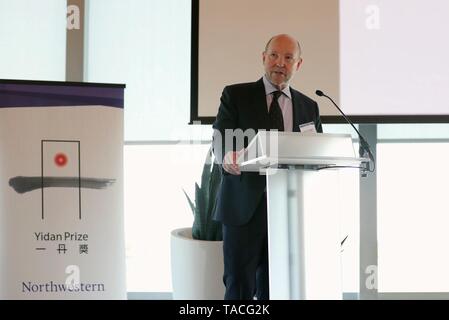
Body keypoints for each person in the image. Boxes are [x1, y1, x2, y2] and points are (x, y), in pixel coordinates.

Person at [212, 34, 323, 300]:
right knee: (239, 285)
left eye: (288, 58)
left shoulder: (310, 107)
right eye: (274, 55)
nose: (280, 63)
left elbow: (315, 154)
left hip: (287, 211)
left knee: (276, 287)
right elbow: (221, 137)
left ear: (298, 64)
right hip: (243, 208)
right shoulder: (236, 95)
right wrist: (227, 155)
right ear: (263, 58)